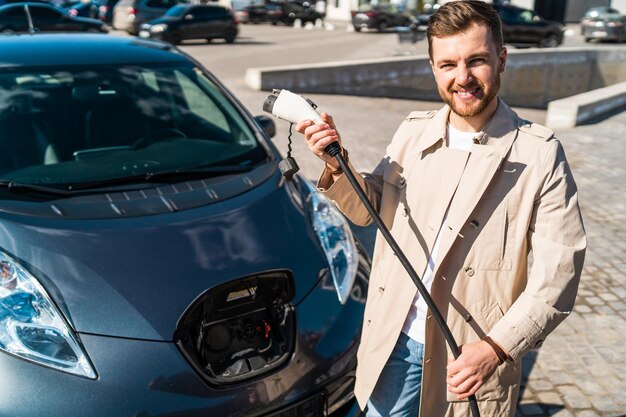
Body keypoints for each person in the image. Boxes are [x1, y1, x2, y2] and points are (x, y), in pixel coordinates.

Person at [295, 1, 586, 416]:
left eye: (477, 61)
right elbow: (369, 209)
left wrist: (495, 348)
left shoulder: (540, 155)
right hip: (393, 339)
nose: (462, 78)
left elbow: (558, 274)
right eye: (448, 64)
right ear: (433, 67)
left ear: (501, 60)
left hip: (468, 358)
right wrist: (336, 163)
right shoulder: (413, 132)